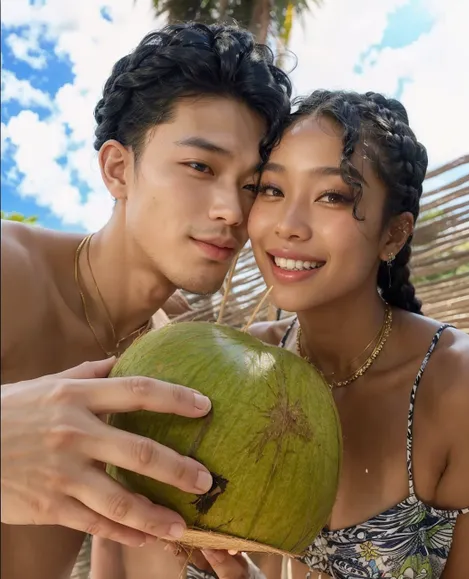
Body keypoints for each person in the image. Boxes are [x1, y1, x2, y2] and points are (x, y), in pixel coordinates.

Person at [0, 21, 291, 579]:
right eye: (200, 167)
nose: (232, 210)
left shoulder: (171, 352)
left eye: (252, 185)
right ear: (118, 169)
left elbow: (132, 550)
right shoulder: (10, 271)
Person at [168, 90, 469, 579]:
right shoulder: (226, 370)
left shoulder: (458, 385)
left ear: (393, 234)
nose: (288, 225)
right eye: (271, 190)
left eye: (333, 196)